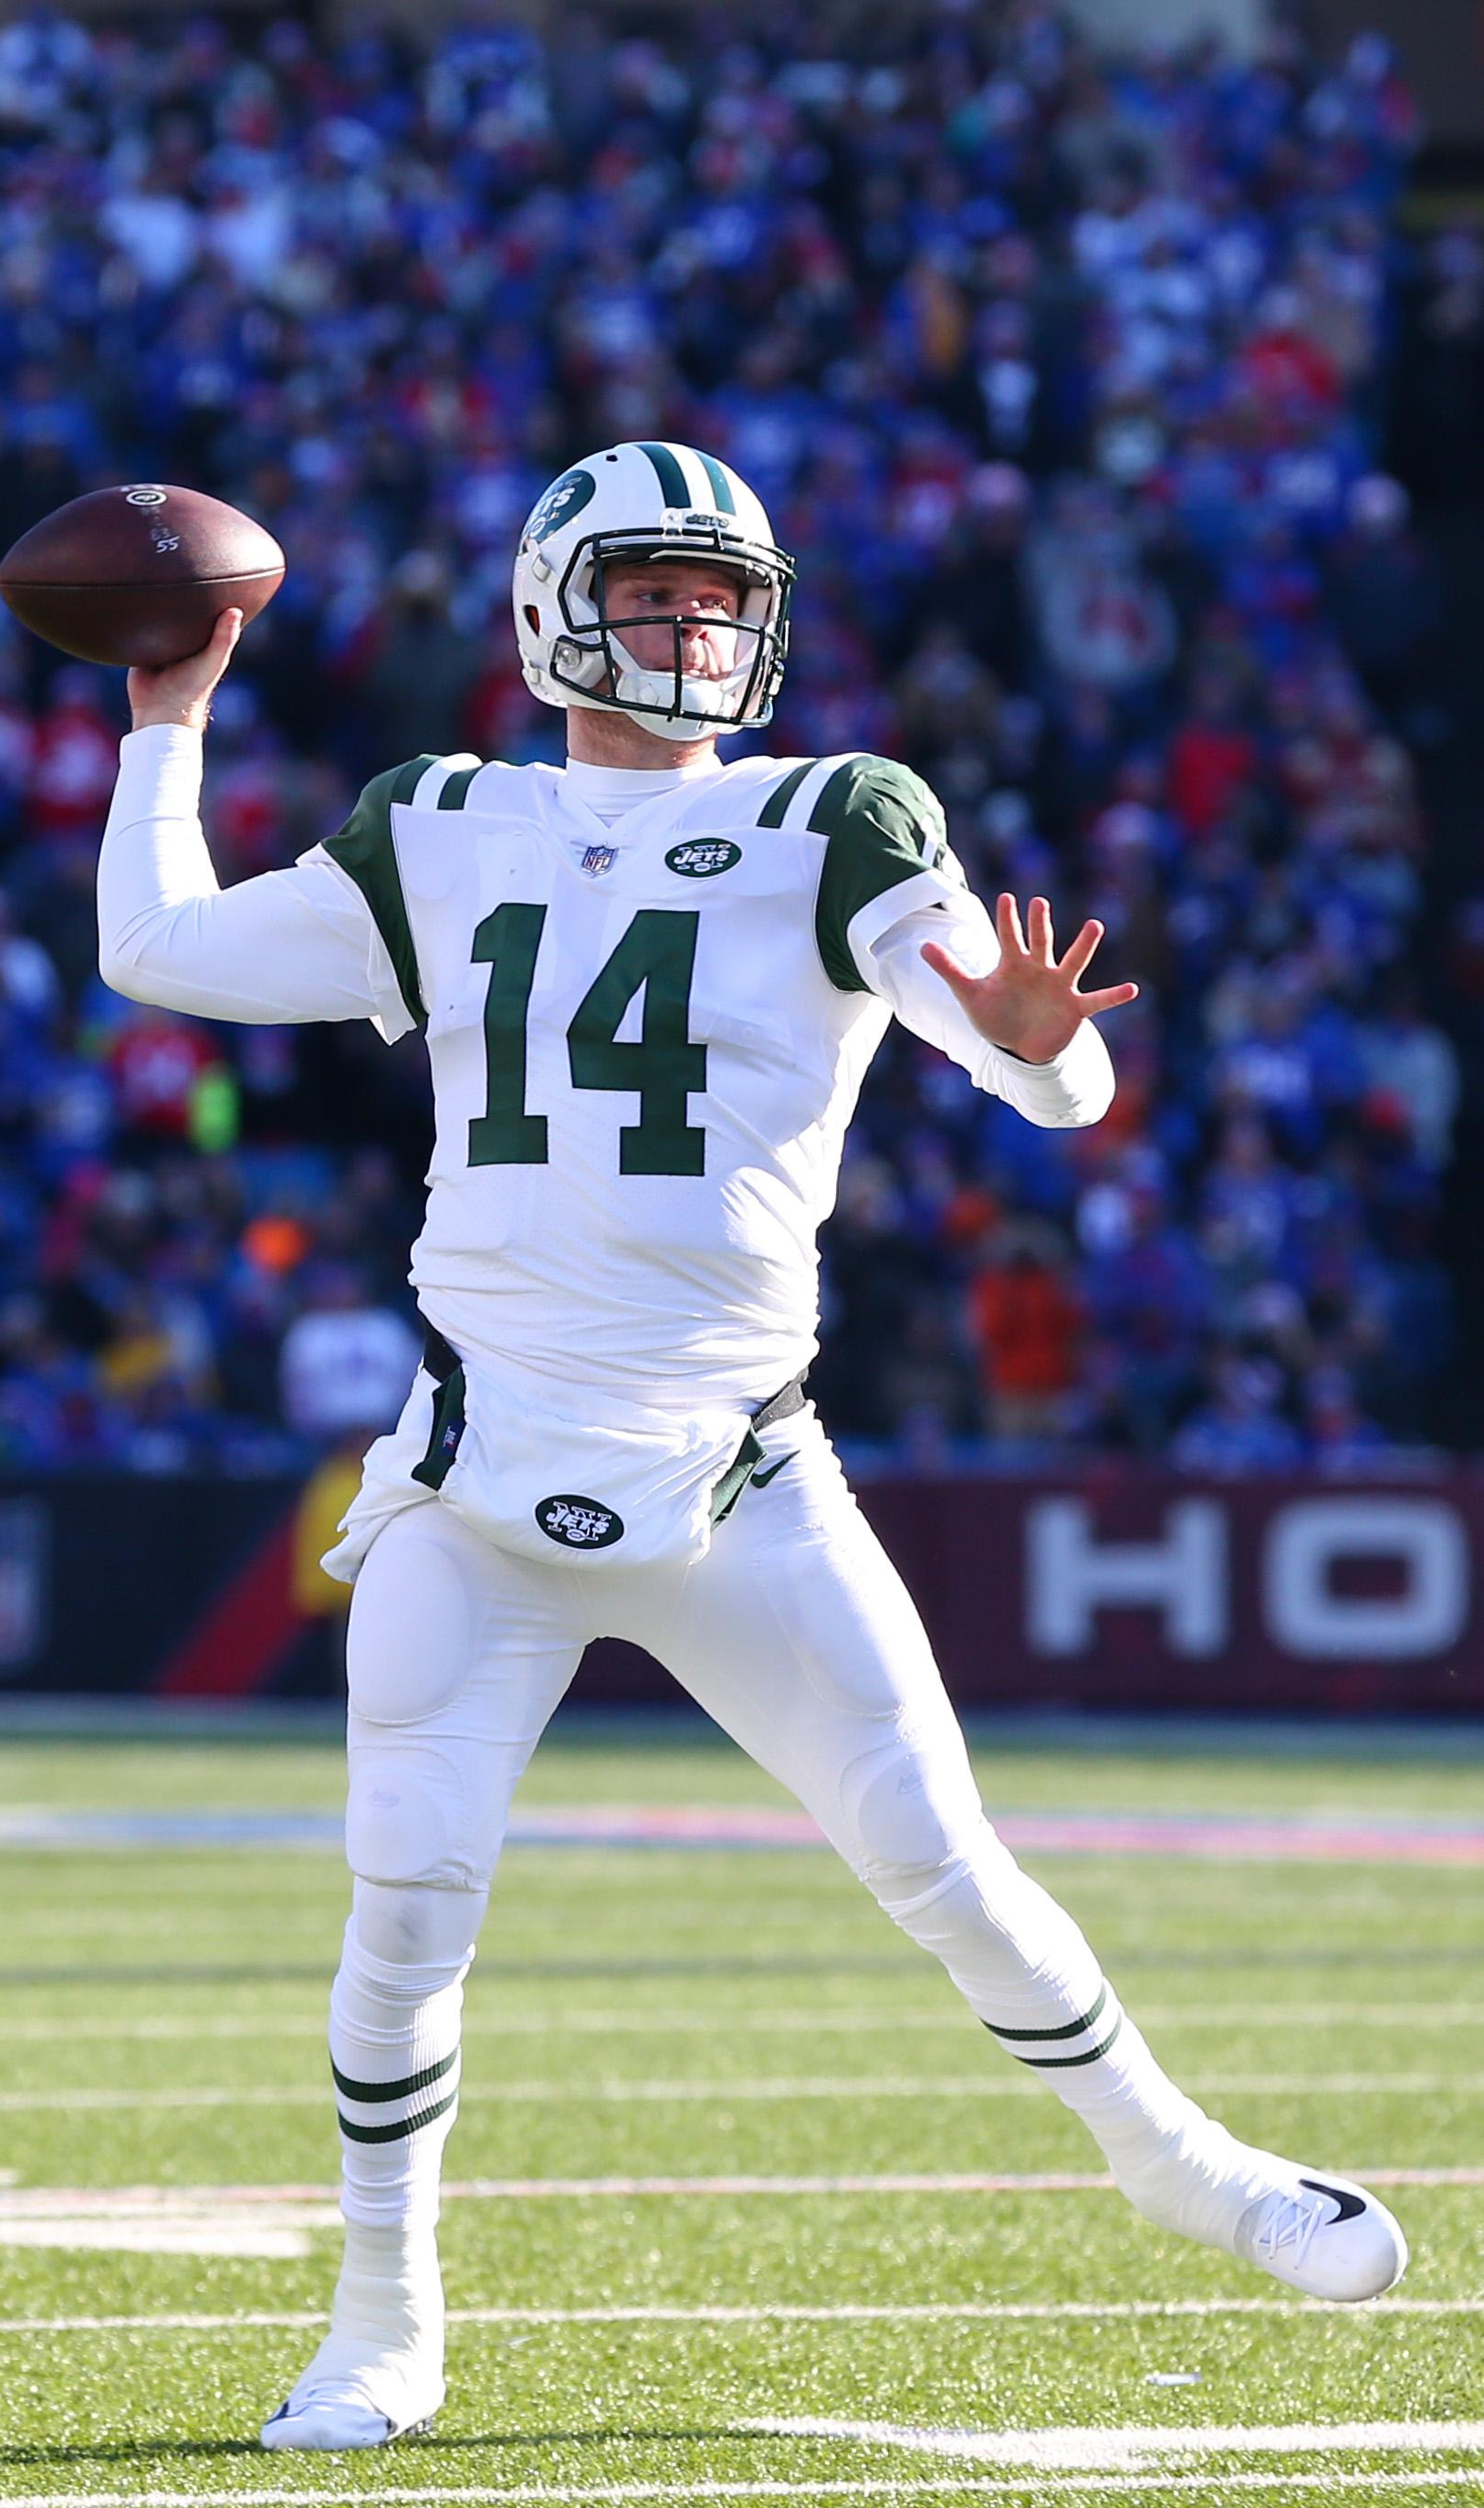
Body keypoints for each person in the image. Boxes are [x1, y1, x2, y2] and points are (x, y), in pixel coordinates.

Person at [95, 441, 1406, 2453]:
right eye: (657, 587)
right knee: (405, 1909)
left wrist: (1041, 1032)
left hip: (736, 1469)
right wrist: (165, 725)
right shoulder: (440, 818)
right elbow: (157, 954)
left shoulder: (834, 817)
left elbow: (1046, 1086)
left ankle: (1181, 2167)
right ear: (551, 607)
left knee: (944, 1865)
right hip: (476, 1476)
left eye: (725, 593)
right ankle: (383, 2322)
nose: (699, 623)